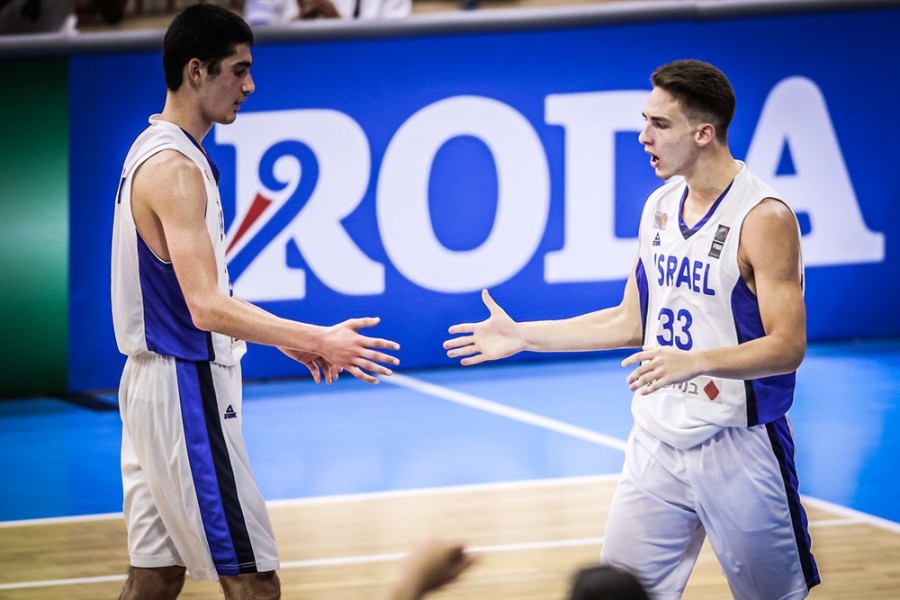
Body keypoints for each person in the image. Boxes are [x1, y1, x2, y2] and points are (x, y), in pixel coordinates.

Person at [444, 59, 820, 599]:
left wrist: (696, 361)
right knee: (613, 591)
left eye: (660, 124)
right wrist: (525, 336)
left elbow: (787, 347)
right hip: (656, 441)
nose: (644, 136)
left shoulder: (763, 218)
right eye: (645, 120)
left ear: (704, 133)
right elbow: (630, 321)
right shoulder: (660, 206)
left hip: (739, 443)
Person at [110, 4, 400, 599]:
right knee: (255, 581)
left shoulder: (152, 148)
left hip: (152, 388)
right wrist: (315, 338)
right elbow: (204, 307)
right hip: (186, 388)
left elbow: (199, 296)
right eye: (238, 70)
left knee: (155, 578)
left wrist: (274, 338)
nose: (250, 86)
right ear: (196, 71)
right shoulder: (175, 168)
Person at [244, 0, 410, 24]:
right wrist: (298, 24)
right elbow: (256, 41)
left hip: (360, 75)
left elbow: (395, 48)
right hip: (287, 69)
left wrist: (337, 23)